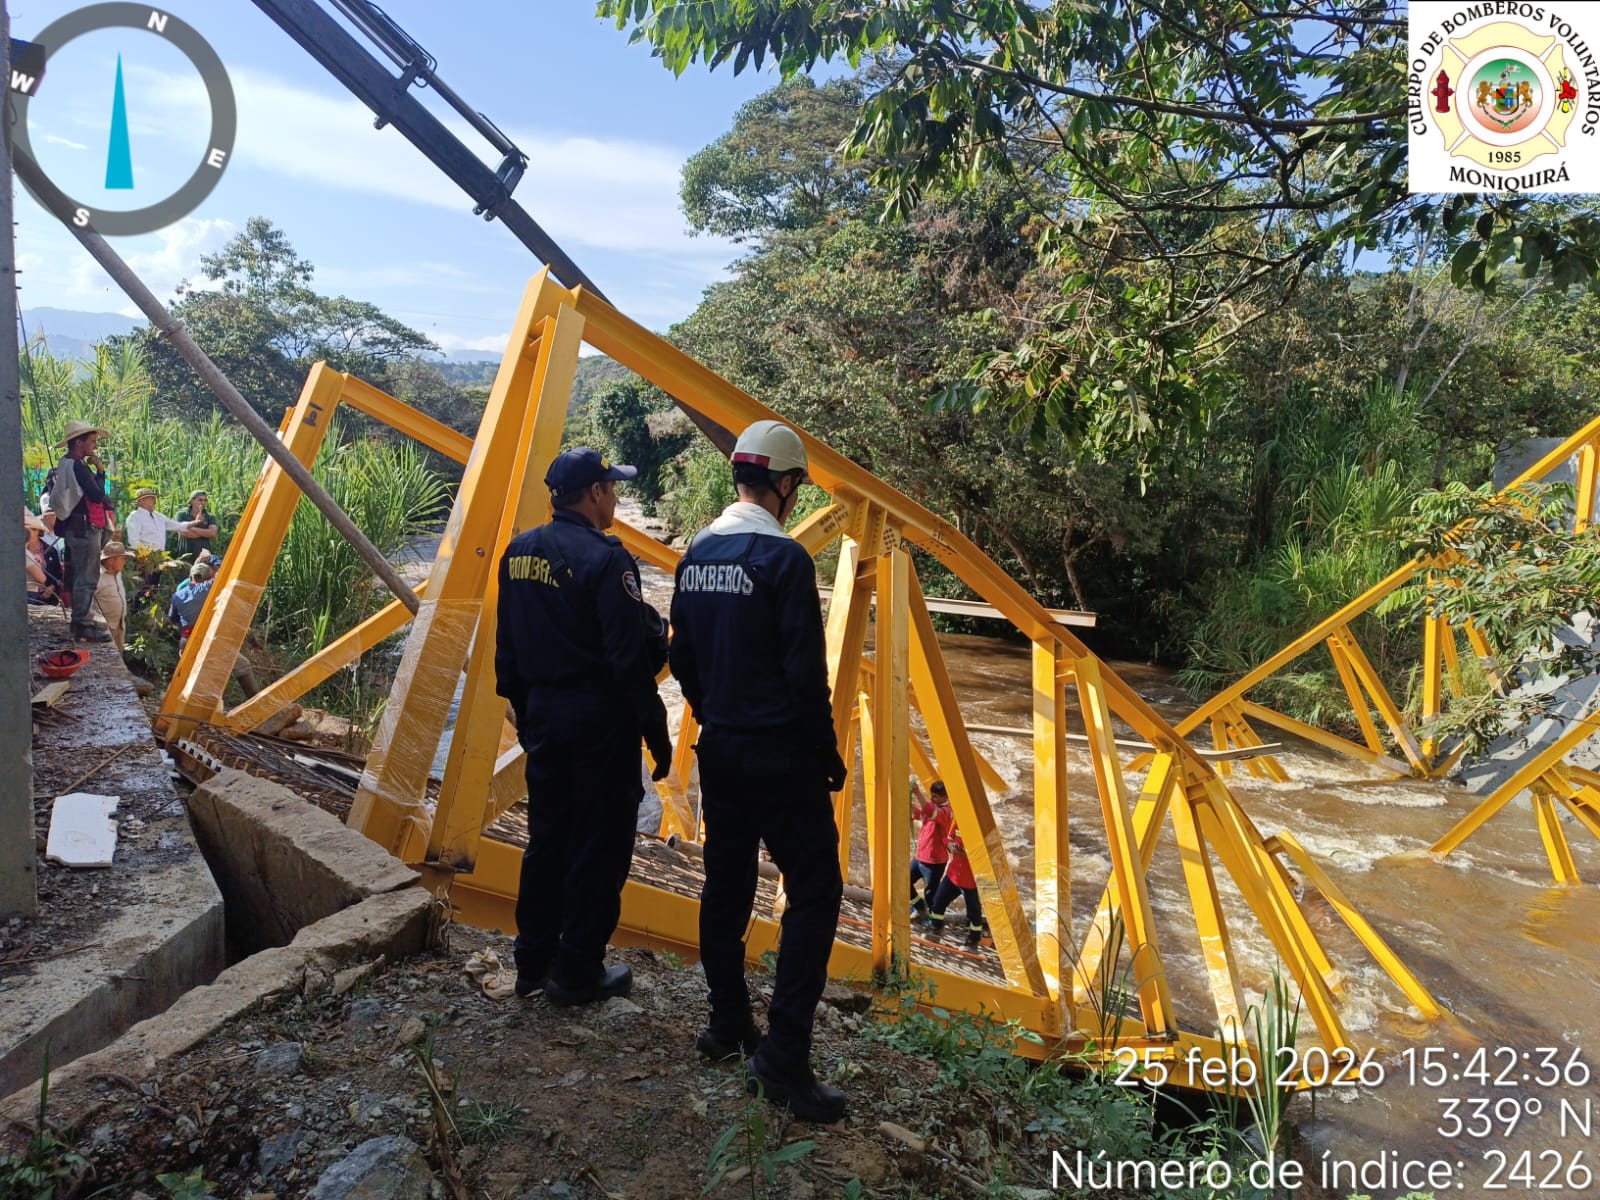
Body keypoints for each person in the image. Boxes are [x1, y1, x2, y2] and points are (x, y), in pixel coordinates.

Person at [669, 419, 848, 1124]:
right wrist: (825, 752)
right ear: (783, 484)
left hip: (722, 748)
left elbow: (682, 659)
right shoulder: (784, 561)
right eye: (795, 486)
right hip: (779, 753)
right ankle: (784, 1056)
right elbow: (807, 676)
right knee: (815, 889)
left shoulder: (696, 555)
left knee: (727, 880)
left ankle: (727, 1024)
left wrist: (716, 711)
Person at [494, 447, 672, 1008]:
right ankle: (578, 971)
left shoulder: (517, 552)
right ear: (593, 493)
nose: (616, 498)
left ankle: (532, 963)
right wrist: (657, 732)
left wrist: (526, 715)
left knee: (546, 839)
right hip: (599, 725)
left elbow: (508, 653)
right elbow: (628, 661)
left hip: (544, 717)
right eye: (612, 488)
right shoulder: (605, 560)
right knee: (600, 845)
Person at [50, 419, 116, 642]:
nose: (95, 446)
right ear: (79, 441)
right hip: (84, 526)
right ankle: (83, 625)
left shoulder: (69, 463)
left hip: (79, 526)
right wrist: (100, 470)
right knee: (87, 577)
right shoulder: (77, 465)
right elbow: (97, 494)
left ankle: (81, 621)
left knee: (82, 574)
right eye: (92, 441)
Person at [925, 828, 989, 948]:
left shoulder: (980, 828)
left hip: (970, 881)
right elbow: (946, 837)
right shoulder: (958, 821)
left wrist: (964, 854)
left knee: (973, 913)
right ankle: (936, 927)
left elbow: (985, 855)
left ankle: (973, 941)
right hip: (953, 875)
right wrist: (949, 845)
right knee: (938, 901)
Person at [910, 780, 953, 919]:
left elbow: (931, 812)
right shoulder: (933, 806)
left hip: (934, 862)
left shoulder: (946, 812)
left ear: (945, 797)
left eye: (935, 797)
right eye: (931, 796)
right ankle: (919, 907)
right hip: (920, 857)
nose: (932, 799)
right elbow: (921, 813)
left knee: (931, 895)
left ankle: (934, 923)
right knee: (904, 882)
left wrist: (917, 793)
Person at [168, 560, 215, 653]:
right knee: (244, 666)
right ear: (209, 578)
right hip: (208, 640)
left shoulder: (177, 595)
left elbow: (172, 619)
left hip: (186, 641)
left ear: (190, 578)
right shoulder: (207, 588)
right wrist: (211, 558)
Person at [94, 540, 130, 651]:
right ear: (111, 560)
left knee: (118, 656)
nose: (124, 562)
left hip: (120, 625)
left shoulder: (118, 573)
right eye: (122, 559)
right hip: (104, 629)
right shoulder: (96, 576)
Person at [24, 510, 61, 606]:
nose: (30, 532)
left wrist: (52, 587)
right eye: (27, 529)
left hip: (47, 600)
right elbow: (41, 579)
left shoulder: (51, 551)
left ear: (39, 532)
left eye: (33, 529)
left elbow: (57, 573)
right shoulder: (21, 552)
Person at [183, 489, 219, 554]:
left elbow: (213, 533)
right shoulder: (182, 514)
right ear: (192, 501)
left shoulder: (210, 516)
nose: (203, 503)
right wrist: (205, 534)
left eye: (205, 500)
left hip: (205, 556)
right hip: (186, 555)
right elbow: (183, 533)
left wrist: (190, 527)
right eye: (200, 500)